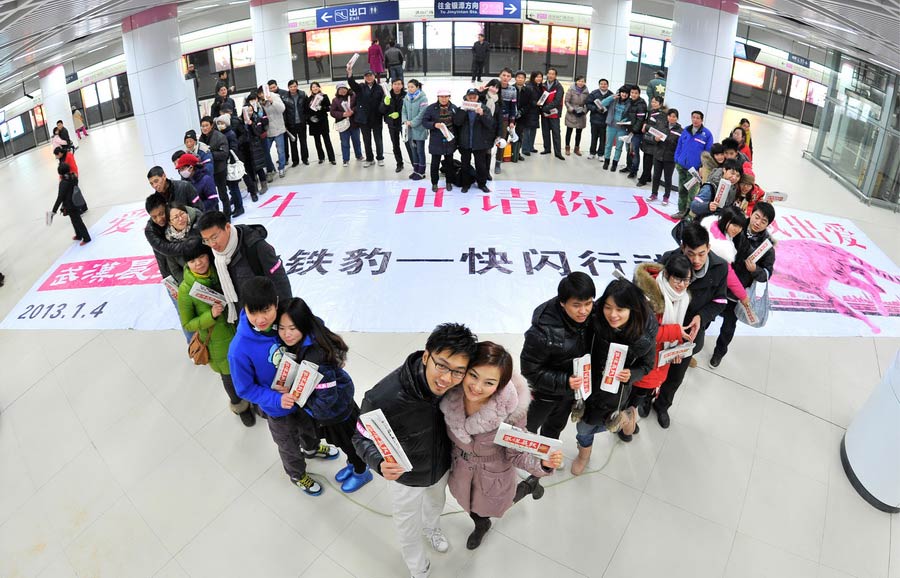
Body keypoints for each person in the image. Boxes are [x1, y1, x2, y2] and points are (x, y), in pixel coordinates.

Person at [352, 323, 479, 578]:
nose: (446, 378)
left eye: (457, 371)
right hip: (405, 477)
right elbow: (360, 435)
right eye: (441, 365)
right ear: (426, 356)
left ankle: (432, 529)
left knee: (436, 504)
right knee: (407, 527)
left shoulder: (459, 387)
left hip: (441, 466)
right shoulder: (383, 396)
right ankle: (418, 568)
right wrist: (377, 462)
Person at [441, 341, 564, 550]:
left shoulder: (510, 413)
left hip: (493, 475)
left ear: (500, 385)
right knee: (470, 506)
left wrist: (542, 464)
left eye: (489, 383)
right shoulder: (450, 394)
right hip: (460, 470)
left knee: (495, 505)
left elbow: (517, 454)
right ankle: (481, 524)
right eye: (473, 375)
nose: (477, 387)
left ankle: (527, 486)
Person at [227, 277, 337, 497]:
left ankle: (312, 448)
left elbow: (313, 327)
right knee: (288, 444)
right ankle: (297, 474)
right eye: (253, 312)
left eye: (266, 310)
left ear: (276, 303)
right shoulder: (239, 348)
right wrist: (276, 400)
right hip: (277, 409)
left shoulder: (285, 320)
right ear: (244, 309)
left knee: (309, 427)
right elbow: (244, 389)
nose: (260, 319)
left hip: (303, 395)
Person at [277, 298, 373, 492]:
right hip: (335, 408)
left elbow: (326, 399)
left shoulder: (317, 360)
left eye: (292, 328)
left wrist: (306, 406)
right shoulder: (309, 336)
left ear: (303, 325)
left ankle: (362, 471)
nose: (286, 334)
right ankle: (354, 465)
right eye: (281, 328)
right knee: (346, 444)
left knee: (350, 444)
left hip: (337, 413)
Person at [516, 272, 595, 501]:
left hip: (570, 393)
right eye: (576, 305)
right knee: (529, 426)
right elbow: (530, 369)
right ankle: (522, 458)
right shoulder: (542, 330)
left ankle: (545, 455)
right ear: (562, 303)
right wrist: (563, 381)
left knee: (555, 426)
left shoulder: (591, 316)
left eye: (588, 304)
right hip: (544, 393)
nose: (584, 311)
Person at [572, 280, 656, 467]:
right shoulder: (594, 320)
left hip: (616, 393)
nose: (612, 315)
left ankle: (627, 417)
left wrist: (631, 374)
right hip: (589, 384)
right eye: (608, 307)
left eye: (620, 309)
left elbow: (647, 366)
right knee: (583, 427)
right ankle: (584, 456)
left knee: (608, 422)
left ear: (632, 310)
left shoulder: (643, 335)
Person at [653, 222, 728, 428]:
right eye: (690, 254)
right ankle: (644, 397)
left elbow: (720, 301)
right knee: (653, 366)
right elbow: (652, 289)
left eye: (701, 254)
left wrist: (701, 317)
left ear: (709, 248)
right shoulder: (669, 259)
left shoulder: (719, 267)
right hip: (664, 328)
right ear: (682, 248)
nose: (696, 260)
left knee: (677, 373)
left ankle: (662, 405)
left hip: (690, 333)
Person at [178, 243, 256, 427]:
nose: (198, 263)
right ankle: (241, 407)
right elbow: (187, 323)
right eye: (192, 260)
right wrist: (210, 316)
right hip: (217, 343)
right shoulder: (186, 290)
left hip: (239, 331)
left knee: (248, 369)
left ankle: (256, 400)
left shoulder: (222, 271)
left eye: (201, 257)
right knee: (229, 377)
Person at [710, 202, 776, 368]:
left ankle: (719, 353)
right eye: (756, 216)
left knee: (728, 325)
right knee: (707, 315)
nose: (758, 222)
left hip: (739, 292)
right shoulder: (737, 226)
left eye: (763, 221)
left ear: (768, 224)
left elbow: (768, 274)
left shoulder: (767, 247)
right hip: (719, 282)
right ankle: (694, 344)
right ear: (751, 214)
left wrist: (756, 271)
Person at [628, 254, 693, 421]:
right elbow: (645, 332)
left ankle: (641, 405)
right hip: (643, 358)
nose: (682, 285)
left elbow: (675, 329)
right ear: (666, 275)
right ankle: (625, 425)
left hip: (661, 360)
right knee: (632, 395)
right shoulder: (649, 297)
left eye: (687, 280)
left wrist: (676, 351)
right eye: (678, 280)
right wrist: (676, 333)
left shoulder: (683, 298)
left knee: (646, 390)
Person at [197, 210, 292, 324]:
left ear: (227, 227)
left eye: (214, 237)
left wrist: (285, 316)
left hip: (264, 318)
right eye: (206, 240)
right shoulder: (216, 255)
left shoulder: (256, 247)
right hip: (241, 319)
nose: (212, 244)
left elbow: (280, 282)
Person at [672, 110, 714, 219]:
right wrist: (677, 159)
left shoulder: (707, 134)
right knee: (681, 190)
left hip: (694, 170)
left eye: (698, 118)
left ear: (701, 120)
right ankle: (681, 211)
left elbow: (707, 154)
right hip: (681, 166)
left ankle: (690, 215)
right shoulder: (686, 130)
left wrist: (701, 167)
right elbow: (679, 146)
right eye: (693, 117)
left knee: (692, 194)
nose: (695, 120)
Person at [454, 87, 495, 193]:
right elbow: (457, 123)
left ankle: (482, 184)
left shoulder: (484, 108)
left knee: (481, 165)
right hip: (465, 143)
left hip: (480, 143)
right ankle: (465, 184)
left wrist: (482, 115)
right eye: (470, 97)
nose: (472, 99)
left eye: (474, 97)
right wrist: (463, 111)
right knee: (465, 164)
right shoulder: (461, 108)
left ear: (477, 97)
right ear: (466, 97)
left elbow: (490, 124)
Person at [347, 68, 385, 167]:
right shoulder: (360, 87)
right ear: (364, 77)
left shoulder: (379, 88)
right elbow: (352, 84)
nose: (369, 77)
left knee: (378, 140)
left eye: (371, 75)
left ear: (374, 76)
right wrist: (350, 73)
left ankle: (380, 158)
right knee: (366, 140)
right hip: (364, 119)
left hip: (376, 118)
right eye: (367, 76)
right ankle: (369, 158)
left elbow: (384, 102)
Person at [421, 88, 458, 190]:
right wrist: (434, 124)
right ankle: (434, 183)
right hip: (436, 140)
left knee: (449, 163)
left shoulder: (454, 108)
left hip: (449, 141)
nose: (444, 99)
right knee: (435, 163)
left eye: (446, 96)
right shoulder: (431, 108)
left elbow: (457, 124)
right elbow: (424, 122)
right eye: (441, 96)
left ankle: (449, 182)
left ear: (449, 97)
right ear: (438, 97)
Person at [199, 115, 232, 220]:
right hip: (208, 171)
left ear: (211, 125)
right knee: (212, 195)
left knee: (223, 193)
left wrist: (209, 155)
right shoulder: (201, 138)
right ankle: (217, 216)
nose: (204, 128)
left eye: (206, 125)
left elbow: (224, 153)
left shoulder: (219, 136)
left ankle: (227, 216)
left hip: (219, 169)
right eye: (202, 126)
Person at [647, 107, 681, 206]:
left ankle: (666, 196)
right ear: (667, 117)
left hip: (670, 158)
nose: (672, 118)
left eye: (674, 117)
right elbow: (653, 137)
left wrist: (669, 141)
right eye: (670, 116)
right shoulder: (661, 126)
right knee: (656, 176)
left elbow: (679, 145)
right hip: (658, 155)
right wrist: (655, 139)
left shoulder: (680, 130)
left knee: (668, 178)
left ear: (677, 118)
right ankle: (654, 194)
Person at [215, 114, 246, 218]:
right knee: (231, 188)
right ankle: (237, 207)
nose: (220, 125)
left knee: (234, 187)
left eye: (222, 123)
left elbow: (233, 148)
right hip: (226, 165)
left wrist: (226, 155)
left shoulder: (230, 134)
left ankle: (240, 207)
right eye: (218, 123)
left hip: (230, 164)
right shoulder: (221, 134)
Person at [51, 163, 90, 245]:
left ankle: (86, 238)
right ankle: (78, 235)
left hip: (70, 204)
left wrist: (54, 210)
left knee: (78, 221)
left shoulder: (63, 182)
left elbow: (60, 197)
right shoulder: (73, 177)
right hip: (75, 201)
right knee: (74, 220)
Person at [241, 92, 271, 194]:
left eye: (250, 110)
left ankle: (264, 184)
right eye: (247, 111)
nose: (249, 113)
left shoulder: (256, 119)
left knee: (259, 167)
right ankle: (253, 187)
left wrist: (251, 124)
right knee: (249, 169)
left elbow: (258, 132)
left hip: (256, 147)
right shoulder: (241, 121)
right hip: (246, 148)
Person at [330, 81, 363, 167]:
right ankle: (345, 159)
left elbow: (358, 105)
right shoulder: (335, 100)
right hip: (343, 125)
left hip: (354, 123)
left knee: (357, 141)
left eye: (344, 88)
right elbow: (332, 112)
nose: (342, 91)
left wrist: (353, 111)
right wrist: (342, 114)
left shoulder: (353, 96)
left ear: (347, 89)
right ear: (337, 91)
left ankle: (359, 155)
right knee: (344, 142)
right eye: (340, 89)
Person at [402, 79, 429, 182]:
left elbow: (422, 113)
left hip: (419, 129)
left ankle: (421, 172)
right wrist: (405, 121)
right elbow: (403, 110)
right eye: (408, 87)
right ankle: (415, 169)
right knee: (413, 151)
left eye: (412, 87)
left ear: (417, 87)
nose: (410, 89)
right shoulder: (406, 98)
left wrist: (412, 122)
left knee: (420, 151)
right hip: (409, 129)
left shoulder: (423, 98)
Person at [381, 78, 410, 174]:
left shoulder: (406, 96)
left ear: (402, 85)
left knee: (408, 144)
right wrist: (385, 104)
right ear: (392, 85)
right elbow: (381, 110)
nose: (397, 86)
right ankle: (399, 163)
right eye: (395, 84)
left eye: (399, 84)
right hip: (392, 124)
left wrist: (399, 114)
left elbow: (410, 110)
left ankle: (415, 163)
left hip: (404, 124)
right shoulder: (387, 95)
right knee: (395, 145)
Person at [258, 86, 287, 178]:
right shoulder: (259, 101)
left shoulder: (274, 96)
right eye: (260, 94)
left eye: (262, 93)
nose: (261, 95)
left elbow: (282, 109)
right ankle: (271, 168)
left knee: (280, 151)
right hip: (267, 130)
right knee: (265, 151)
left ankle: (281, 168)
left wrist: (272, 101)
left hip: (278, 128)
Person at [636, 96, 665, 187]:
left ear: (660, 104)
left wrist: (647, 127)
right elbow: (647, 121)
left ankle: (643, 180)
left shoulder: (661, 115)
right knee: (646, 159)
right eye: (652, 102)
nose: (653, 104)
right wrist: (645, 124)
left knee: (648, 161)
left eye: (656, 102)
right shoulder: (651, 112)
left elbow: (658, 129)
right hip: (647, 139)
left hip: (653, 141)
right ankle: (647, 176)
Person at [601, 85, 631, 171]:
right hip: (611, 125)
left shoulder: (630, 103)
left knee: (619, 147)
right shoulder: (614, 99)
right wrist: (612, 97)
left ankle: (615, 163)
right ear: (619, 92)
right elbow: (602, 103)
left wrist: (624, 120)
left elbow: (630, 115)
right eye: (622, 92)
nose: (624, 94)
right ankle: (606, 162)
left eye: (626, 93)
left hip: (622, 128)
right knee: (608, 145)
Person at [305, 82, 336, 165]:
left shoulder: (324, 96)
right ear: (311, 89)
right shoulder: (308, 99)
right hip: (314, 122)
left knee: (327, 140)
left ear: (319, 87)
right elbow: (306, 111)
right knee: (317, 141)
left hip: (323, 121)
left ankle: (332, 158)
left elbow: (329, 107)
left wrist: (321, 107)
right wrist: (310, 118)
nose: (315, 88)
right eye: (313, 87)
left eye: (316, 87)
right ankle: (321, 157)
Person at [494, 68, 518, 173]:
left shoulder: (513, 90)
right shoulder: (493, 87)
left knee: (502, 142)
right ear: (500, 75)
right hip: (492, 119)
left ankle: (498, 163)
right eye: (504, 75)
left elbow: (513, 106)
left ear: (511, 78)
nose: (505, 78)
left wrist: (512, 121)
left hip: (504, 120)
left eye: (508, 76)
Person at [621, 85, 648, 178]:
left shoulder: (641, 104)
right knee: (629, 150)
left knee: (634, 152)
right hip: (629, 130)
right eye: (632, 93)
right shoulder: (629, 101)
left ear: (639, 94)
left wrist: (634, 130)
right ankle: (628, 167)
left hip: (637, 133)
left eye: (636, 93)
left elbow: (640, 119)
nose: (633, 95)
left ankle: (634, 170)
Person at [282, 80, 309, 167]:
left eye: (294, 86)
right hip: (291, 124)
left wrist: (306, 119)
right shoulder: (285, 97)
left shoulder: (302, 94)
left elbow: (306, 108)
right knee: (293, 143)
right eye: (291, 87)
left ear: (297, 86)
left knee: (303, 142)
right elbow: (284, 112)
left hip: (301, 123)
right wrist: (285, 124)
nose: (293, 88)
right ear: (288, 88)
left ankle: (305, 159)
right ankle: (295, 161)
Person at [540, 68, 565, 160]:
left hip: (554, 113)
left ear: (555, 76)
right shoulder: (543, 85)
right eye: (549, 74)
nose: (550, 75)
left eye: (552, 74)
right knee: (545, 132)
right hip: (544, 114)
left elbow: (557, 101)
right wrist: (542, 108)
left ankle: (558, 152)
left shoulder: (559, 87)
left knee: (556, 133)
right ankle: (547, 149)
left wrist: (546, 108)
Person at [586, 78, 612, 160]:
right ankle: (592, 152)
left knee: (603, 138)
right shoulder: (594, 93)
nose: (603, 85)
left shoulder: (611, 95)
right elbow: (588, 104)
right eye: (601, 84)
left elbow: (613, 107)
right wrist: (595, 109)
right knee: (594, 137)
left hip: (605, 121)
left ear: (608, 85)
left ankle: (601, 154)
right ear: (599, 85)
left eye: (605, 84)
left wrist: (606, 110)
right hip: (594, 119)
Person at [518, 71, 543, 157]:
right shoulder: (529, 86)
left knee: (533, 130)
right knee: (527, 131)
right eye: (537, 77)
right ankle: (525, 149)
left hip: (535, 111)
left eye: (540, 77)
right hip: (529, 111)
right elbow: (528, 100)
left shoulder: (539, 86)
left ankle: (531, 147)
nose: (539, 78)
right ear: (533, 77)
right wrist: (535, 103)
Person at [563, 75, 588, 157]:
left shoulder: (586, 91)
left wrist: (584, 111)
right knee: (569, 131)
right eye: (579, 81)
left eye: (582, 81)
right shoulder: (571, 90)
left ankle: (577, 148)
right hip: (571, 113)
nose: (581, 83)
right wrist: (572, 110)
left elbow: (588, 103)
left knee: (579, 132)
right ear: (576, 81)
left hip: (581, 114)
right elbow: (566, 101)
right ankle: (567, 147)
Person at [511, 70, 528, 162]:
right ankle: (504, 154)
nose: (520, 79)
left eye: (522, 78)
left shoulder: (528, 90)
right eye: (518, 77)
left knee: (519, 135)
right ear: (515, 78)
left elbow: (528, 104)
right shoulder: (511, 88)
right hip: (510, 116)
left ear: (525, 79)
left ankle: (517, 153)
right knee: (507, 135)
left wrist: (521, 112)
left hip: (522, 117)